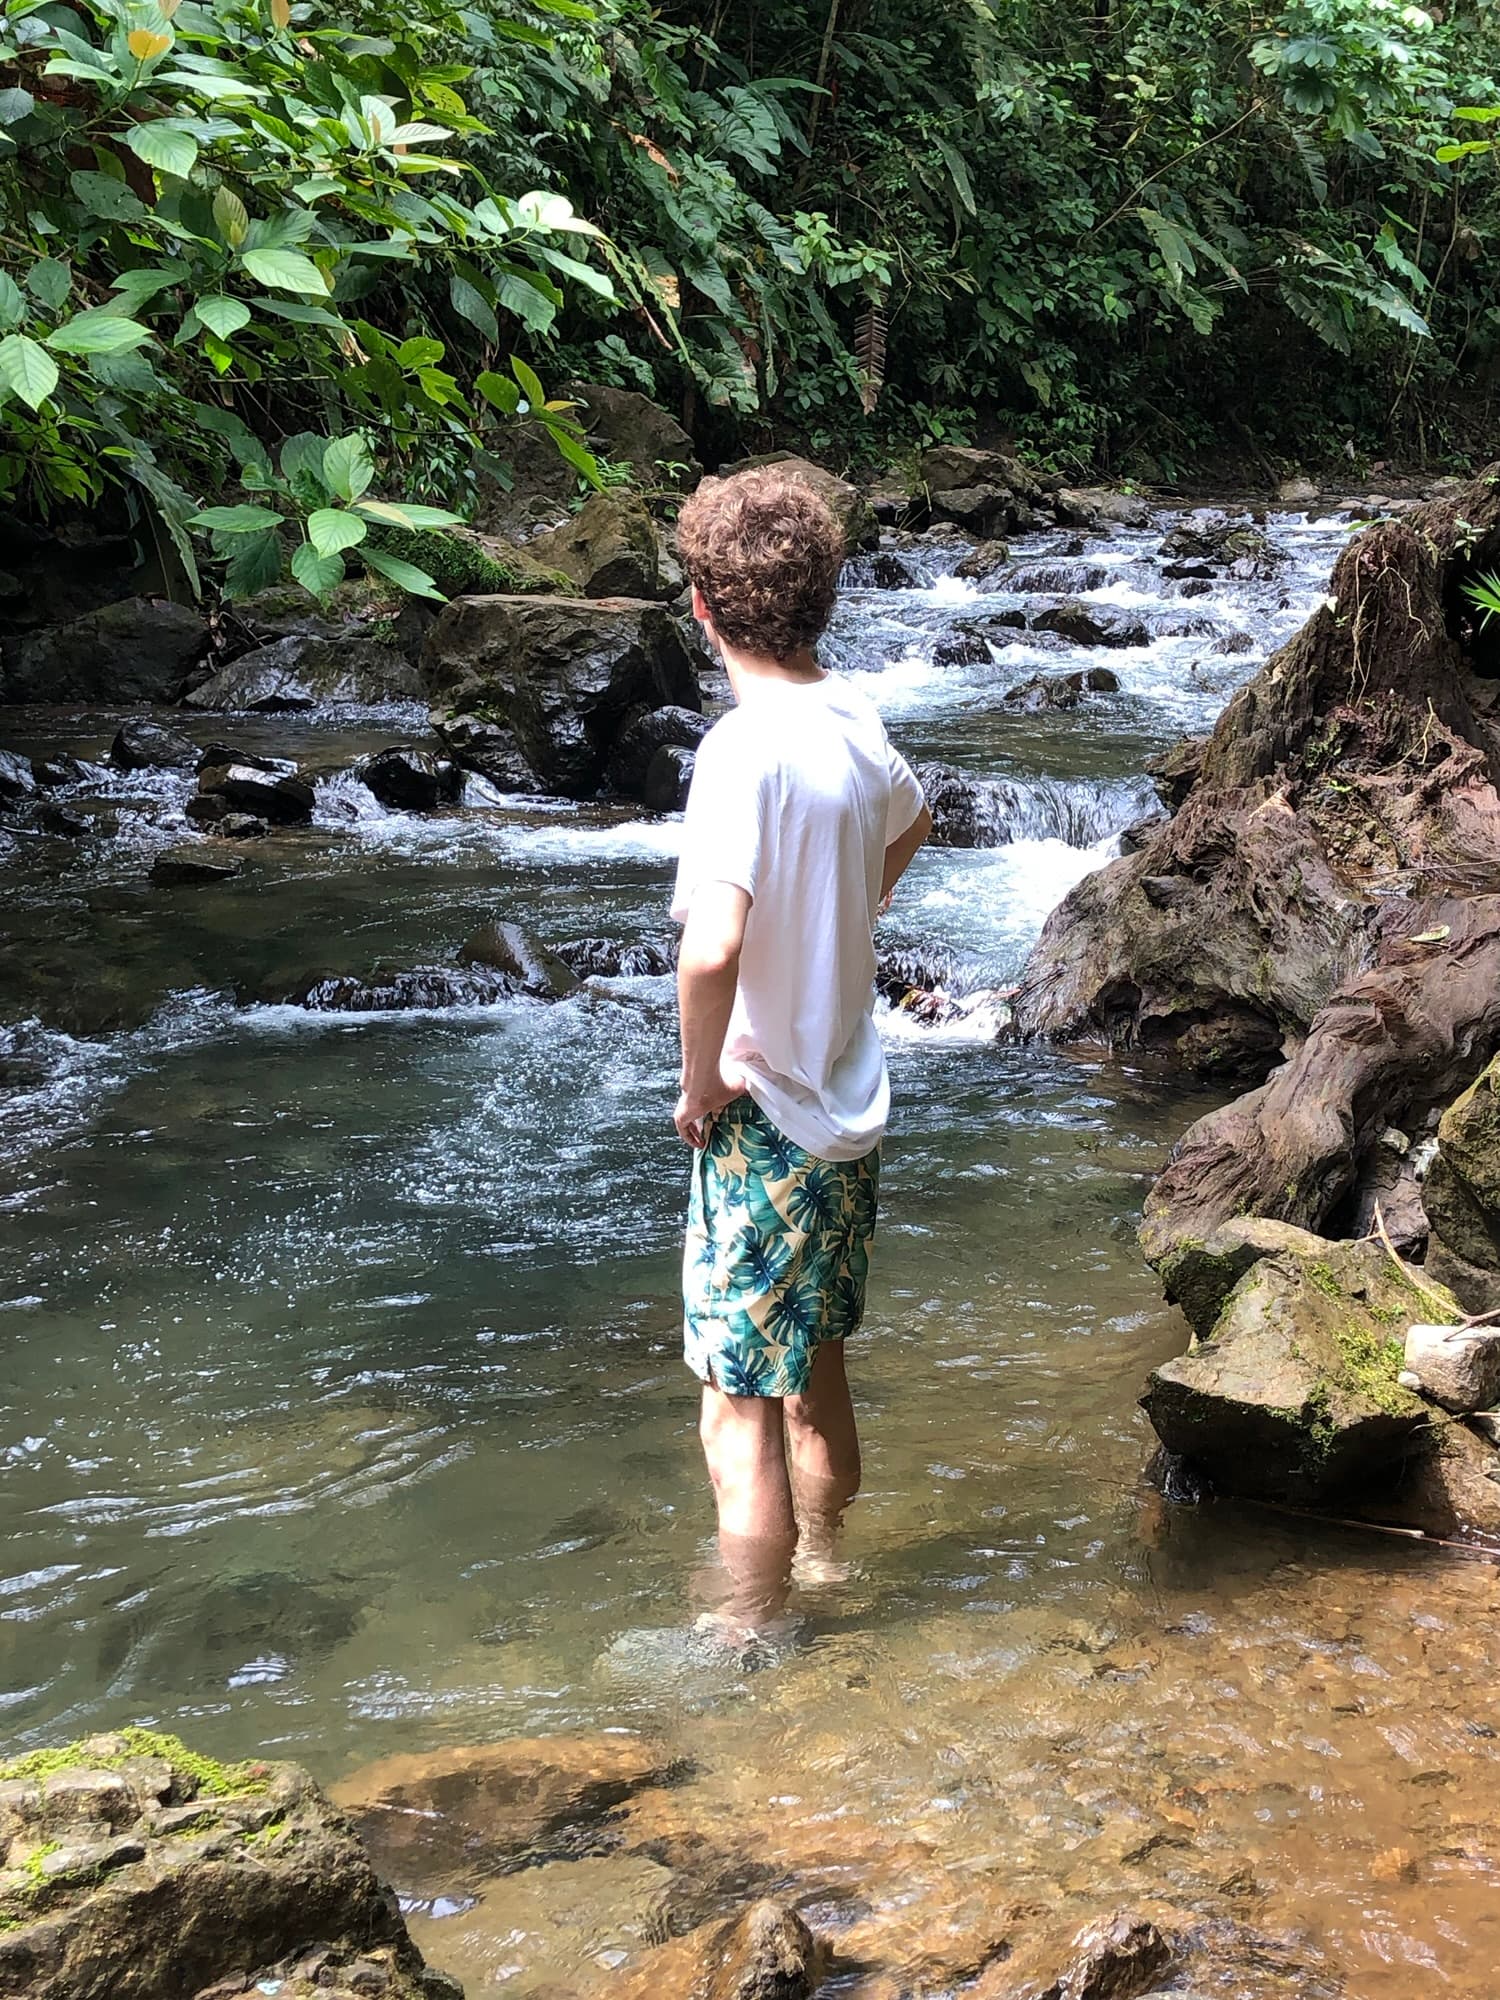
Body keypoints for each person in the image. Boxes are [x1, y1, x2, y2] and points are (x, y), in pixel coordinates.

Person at [670, 467, 933, 1640]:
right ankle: (825, 1568)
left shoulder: (740, 747)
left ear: (703, 607)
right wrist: (847, 910)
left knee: (737, 1400)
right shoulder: (850, 713)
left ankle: (749, 1630)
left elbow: (710, 942)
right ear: (823, 599)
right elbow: (914, 818)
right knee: (815, 1364)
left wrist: (701, 1074)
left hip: (764, 1106)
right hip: (847, 1099)